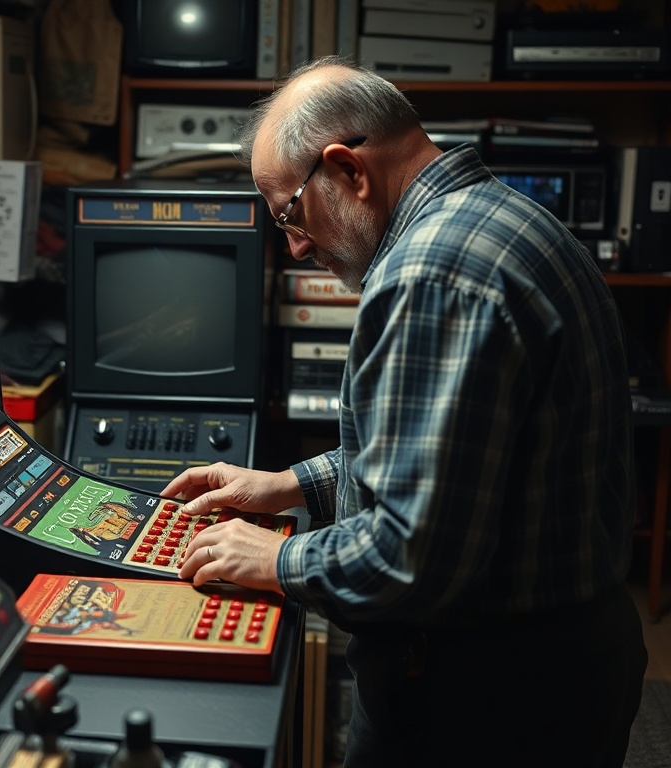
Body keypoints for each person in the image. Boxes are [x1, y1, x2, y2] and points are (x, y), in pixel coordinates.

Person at [164, 56, 647, 768]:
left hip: (490, 698)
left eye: (290, 213)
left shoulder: (430, 276)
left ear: (348, 171)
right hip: (569, 664)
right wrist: (289, 486)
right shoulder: (505, 219)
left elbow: (412, 561)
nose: (295, 246)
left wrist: (276, 555)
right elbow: (451, 458)